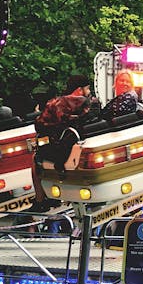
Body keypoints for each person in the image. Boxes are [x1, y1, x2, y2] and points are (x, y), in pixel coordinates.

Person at [29, 74, 99, 210]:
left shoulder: (54, 103)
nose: (89, 91)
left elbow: (39, 124)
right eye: (87, 88)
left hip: (60, 149)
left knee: (35, 158)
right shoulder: (90, 104)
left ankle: (40, 199)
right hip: (81, 144)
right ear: (80, 89)